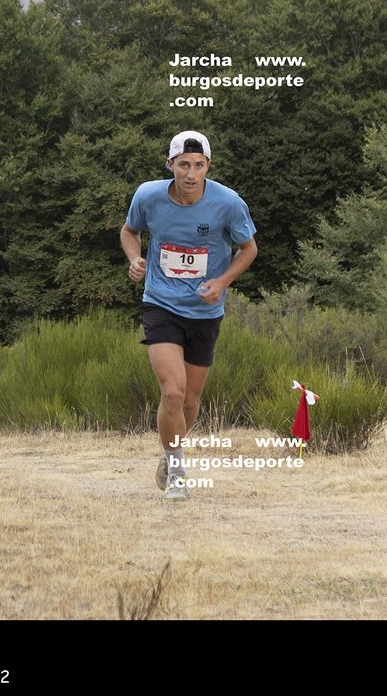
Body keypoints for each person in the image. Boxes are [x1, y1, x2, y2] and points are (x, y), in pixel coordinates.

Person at [120, 131, 257, 501]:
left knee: (191, 402)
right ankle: (177, 468)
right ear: (171, 166)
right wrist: (135, 259)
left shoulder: (228, 203)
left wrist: (223, 281)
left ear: (208, 167)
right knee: (172, 391)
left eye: (199, 166)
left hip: (206, 309)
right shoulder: (148, 195)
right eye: (184, 165)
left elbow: (248, 248)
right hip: (161, 302)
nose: (191, 174)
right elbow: (129, 231)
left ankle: (168, 452)